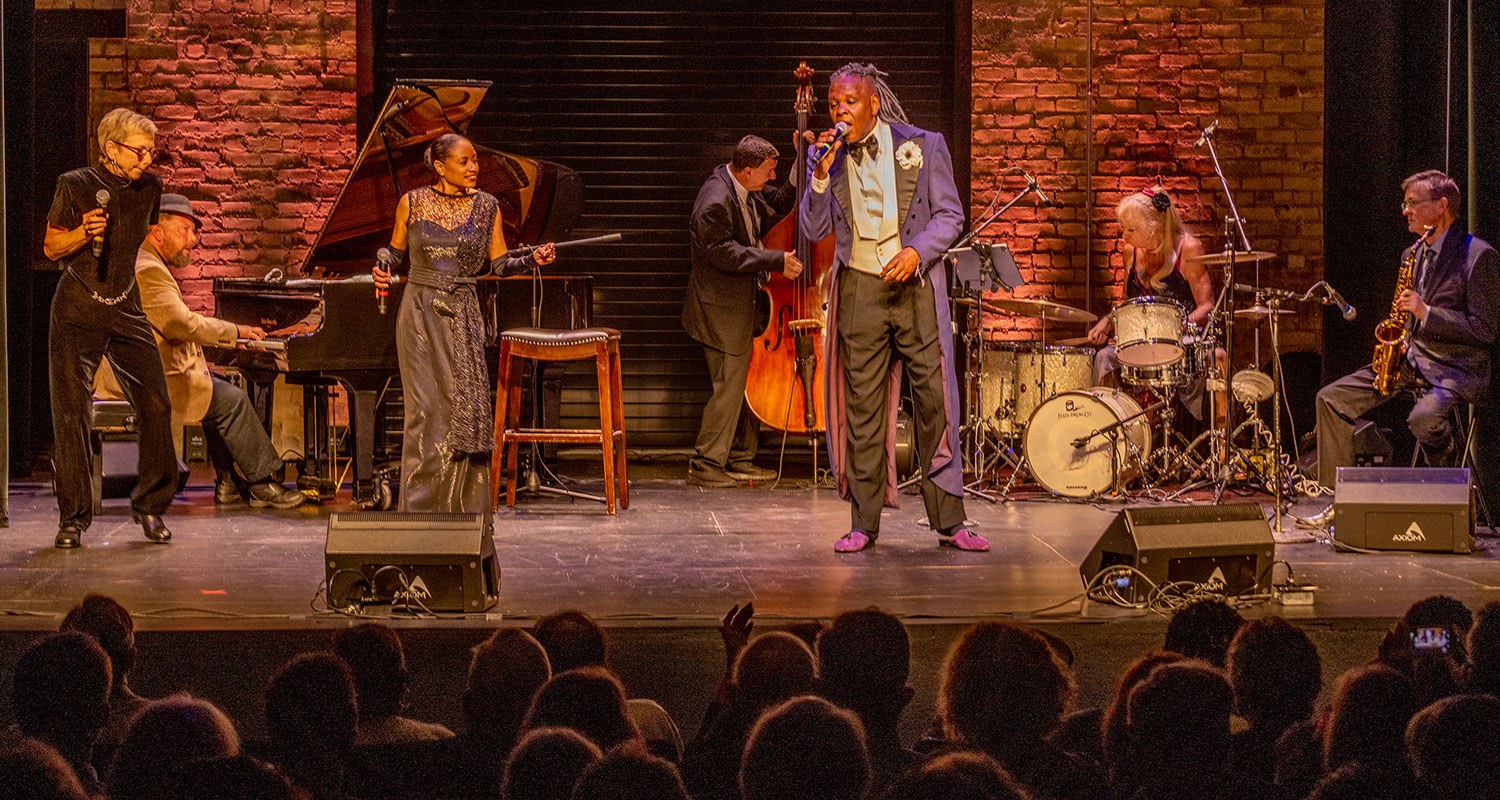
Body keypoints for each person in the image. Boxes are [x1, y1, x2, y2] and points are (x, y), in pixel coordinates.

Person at [799, 62, 985, 553]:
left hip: (915, 286)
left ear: (873, 103)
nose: (839, 111)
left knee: (934, 402)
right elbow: (814, 230)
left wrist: (917, 251)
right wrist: (817, 177)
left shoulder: (923, 145)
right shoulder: (828, 158)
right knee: (864, 409)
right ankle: (863, 523)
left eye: (849, 102)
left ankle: (950, 521)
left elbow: (950, 215)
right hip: (860, 289)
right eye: (834, 103)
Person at [371, 133, 557, 514]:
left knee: (461, 408)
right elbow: (394, 251)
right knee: (423, 411)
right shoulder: (412, 202)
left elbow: (501, 264)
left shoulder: (488, 207)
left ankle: (462, 508)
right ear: (440, 167)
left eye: (475, 160)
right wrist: (382, 265)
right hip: (419, 313)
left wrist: (532, 260)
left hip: (462, 313)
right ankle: (419, 511)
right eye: (464, 161)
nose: (473, 168)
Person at [1305, 169, 1500, 525]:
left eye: (1412, 203)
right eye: (1405, 203)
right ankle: (1339, 502)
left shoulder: (1477, 256)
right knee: (1330, 399)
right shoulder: (1412, 254)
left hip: (1454, 368)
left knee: (1423, 418)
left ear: (1441, 206)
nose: (1404, 211)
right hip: (1410, 361)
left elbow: (1485, 330)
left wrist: (1427, 313)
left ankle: (1452, 482)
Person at [94, 193, 305, 509]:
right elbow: (180, 323)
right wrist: (234, 332)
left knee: (216, 391)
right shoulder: (148, 268)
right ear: (157, 231)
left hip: (146, 369)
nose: (192, 240)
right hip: (143, 379)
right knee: (232, 401)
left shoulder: (143, 261)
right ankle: (264, 483)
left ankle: (228, 483)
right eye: (185, 230)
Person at [43, 107, 176, 548]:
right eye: (138, 151)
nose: (146, 160)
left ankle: (151, 505)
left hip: (125, 302)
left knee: (156, 402)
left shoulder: (150, 187)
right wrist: (83, 230)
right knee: (72, 412)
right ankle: (74, 519)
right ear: (110, 149)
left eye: (150, 152)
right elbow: (50, 246)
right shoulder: (75, 184)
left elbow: (142, 238)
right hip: (77, 307)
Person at [683, 134, 803, 487]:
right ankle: (705, 463)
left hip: (743, 307)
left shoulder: (742, 185)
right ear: (748, 170)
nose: (771, 178)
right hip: (719, 312)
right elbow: (723, 253)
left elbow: (781, 199)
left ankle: (740, 456)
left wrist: (801, 158)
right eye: (768, 171)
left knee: (747, 384)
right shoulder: (715, 201)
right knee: (728, 388)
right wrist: (776, 259)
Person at [1088, 187, 1222, 425]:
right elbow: (1125, 301)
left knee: (1212, 358)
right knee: (1104, 358)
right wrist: (1108, 321)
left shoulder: (1188, 248)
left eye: (1131, 229)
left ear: (1154, 227)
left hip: (1179, 340)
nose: (1125, 235)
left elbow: (1207, 306)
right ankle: (1109, 430)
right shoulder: (1131, 251)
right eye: (1124, 229)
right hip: (1139, 340)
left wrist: (1173, 330)